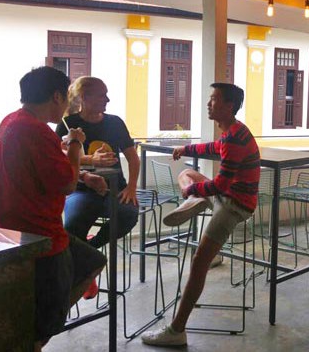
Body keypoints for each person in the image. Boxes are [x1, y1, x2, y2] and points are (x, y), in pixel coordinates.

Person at [0, 66, 107, 351]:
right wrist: (76, 145)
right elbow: (66, 184)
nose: (68, 104)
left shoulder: (12, 121)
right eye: (66, 97)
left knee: (91, 261)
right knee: (41, 323)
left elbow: (42, 167)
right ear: (56, 97)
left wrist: (79, 169)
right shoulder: (36, 131)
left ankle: (47, 312)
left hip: (11, 227)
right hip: (40, 235)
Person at [141, 83, 260, 347]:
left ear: (229, 106)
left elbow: (221, 184)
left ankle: (176, 330)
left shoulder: (235, 138)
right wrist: (186, 149)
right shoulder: (231, 132)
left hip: (234, 205)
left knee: (198, 262)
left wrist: (193, 189)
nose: (209, 103)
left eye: (214, 99)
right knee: (187, 172)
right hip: (226, 195)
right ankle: (195, 201)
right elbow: (212, 148)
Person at [56, 77, 140, 250]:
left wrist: (131, 187)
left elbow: (133, 158)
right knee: (73, 225)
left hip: (114, 189)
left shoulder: (115, 123)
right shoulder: (68, 124)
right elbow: (59, 156)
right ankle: (82, 258)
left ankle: (90, 250)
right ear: (84, 97)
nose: (107, 99)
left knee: (128, 215)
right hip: (81, 190)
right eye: (102, 95)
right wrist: (90, 159)